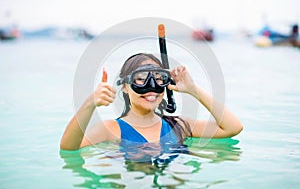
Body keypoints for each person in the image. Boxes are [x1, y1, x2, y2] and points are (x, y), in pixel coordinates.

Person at [60, 53, 243, 151]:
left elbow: (232, 128)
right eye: (141, 78)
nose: (151, 87)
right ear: (125, 86)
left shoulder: (178, 125)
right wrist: (90, 103)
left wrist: (194, 91)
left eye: (158, 77)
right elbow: (68, 147)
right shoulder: (110, 130)